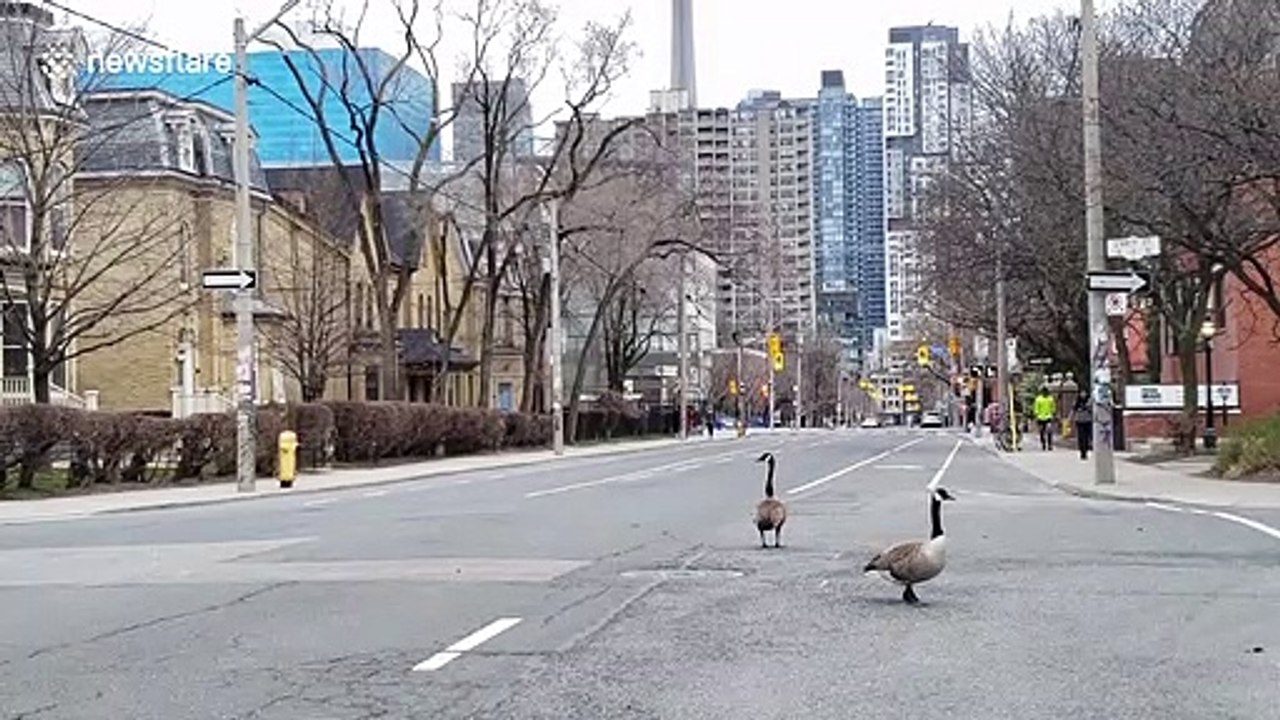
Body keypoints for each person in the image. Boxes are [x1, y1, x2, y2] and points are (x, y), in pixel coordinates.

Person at [1072, 395, 1093, 460]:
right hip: (1079, 421)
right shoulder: (1077, 401)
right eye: (1081, 393)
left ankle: (1086, 449)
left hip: (1087, 420)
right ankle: (1082, 452)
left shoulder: (1090, 401)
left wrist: (1087, 407)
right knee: (1081, 437)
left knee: (1086, 437)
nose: (1083, 394)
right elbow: (1073, 410)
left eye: (1084, 393)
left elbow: (1091, 409)